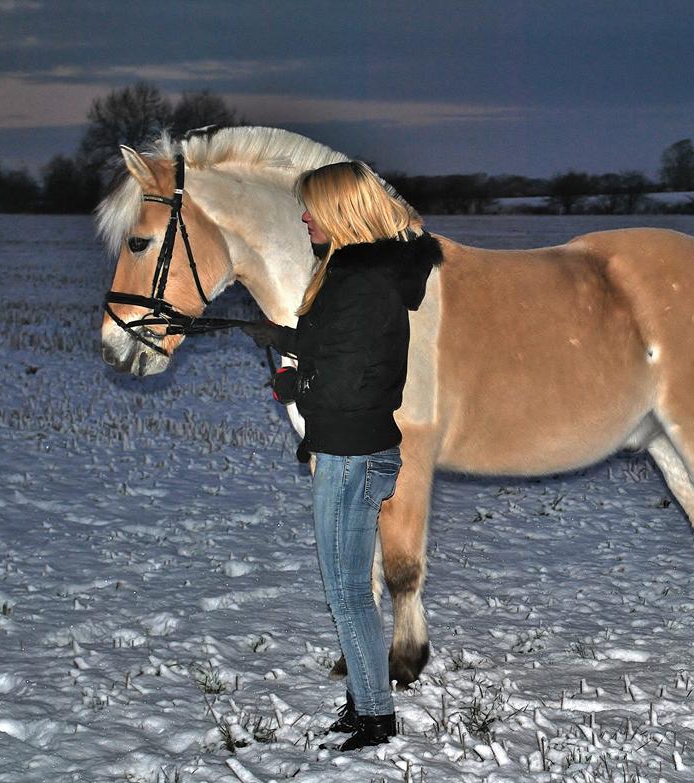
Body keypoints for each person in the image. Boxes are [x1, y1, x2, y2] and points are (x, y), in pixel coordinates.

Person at [241, 161, 441, 751]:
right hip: (365, 446)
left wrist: (292, 386)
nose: (303, 216)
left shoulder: (355, 279)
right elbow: (348, 347)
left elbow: (349, 379)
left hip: (348, 452)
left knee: (348, 588)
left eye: (312, 208)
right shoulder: (366, 271)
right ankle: (363, 702)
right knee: (351, 586)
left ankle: (375, 716)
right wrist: (284, 340)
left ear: (341, 212)